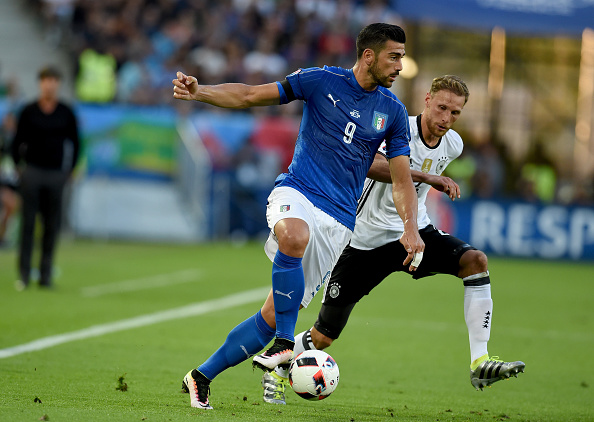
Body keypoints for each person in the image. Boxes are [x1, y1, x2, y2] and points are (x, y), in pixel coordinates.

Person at [172, 22, 425, 409]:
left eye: (402, 58)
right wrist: (200, 91)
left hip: (338, 222)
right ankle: (286, 344)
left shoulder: (392, 111)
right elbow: (250, 95)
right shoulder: (320, 80)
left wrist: (411, 228)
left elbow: (401, 179)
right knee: (293, 235)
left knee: (271, 315)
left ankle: (201, 376)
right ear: (368, 56)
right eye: (393, 57)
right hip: (298, 190)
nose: (399, 66)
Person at [262, 75, 525, 404]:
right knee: (324, 335)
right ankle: (277, 368)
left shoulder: (453, 145)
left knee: (475, 262)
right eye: (442, 108)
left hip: (414, 233)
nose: (446, 118)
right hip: (363, 242)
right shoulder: (398, 128)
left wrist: (414, 217)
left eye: (455, 112)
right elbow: (368, 163)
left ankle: (480, 361)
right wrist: (424, 176)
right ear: (427, 100)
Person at [11, 65, 80, 290]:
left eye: (53, 80)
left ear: (58, 84)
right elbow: (17, 141)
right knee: (28, 225)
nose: (49, 84)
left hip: (55, 173)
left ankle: (45, 274)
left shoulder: (65, 112)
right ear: (40, 83)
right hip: (32, 171)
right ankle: (24, 274)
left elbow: (75, 142)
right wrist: (19, 167)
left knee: (51, 225)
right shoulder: (29, 111)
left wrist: (70, 170)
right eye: (46, 80)